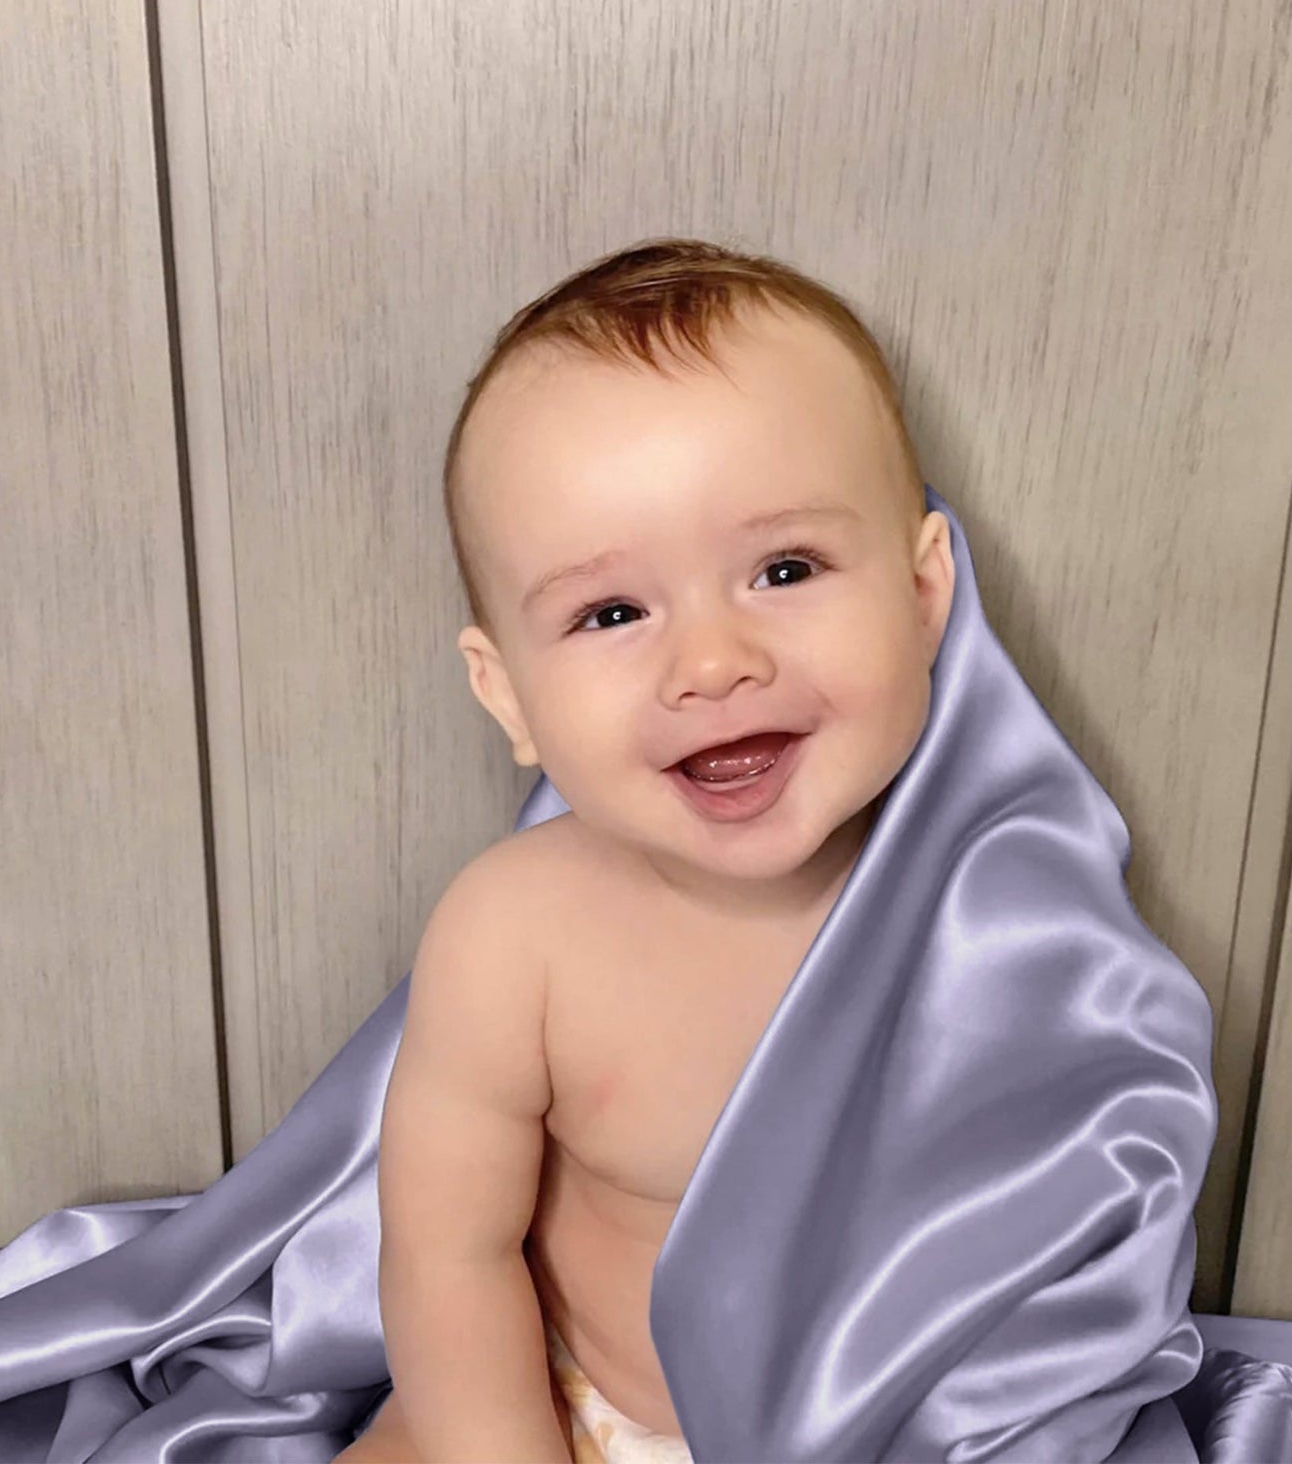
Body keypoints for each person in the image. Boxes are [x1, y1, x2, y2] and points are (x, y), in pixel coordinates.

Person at [345, 238, 955, 1464]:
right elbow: (447, 1255)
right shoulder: (516, 934)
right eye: (611, 612)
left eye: (784, 568)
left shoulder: (985, 914)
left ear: (924, 590)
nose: (713, 663)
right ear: (506, 691)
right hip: (575, 1412)